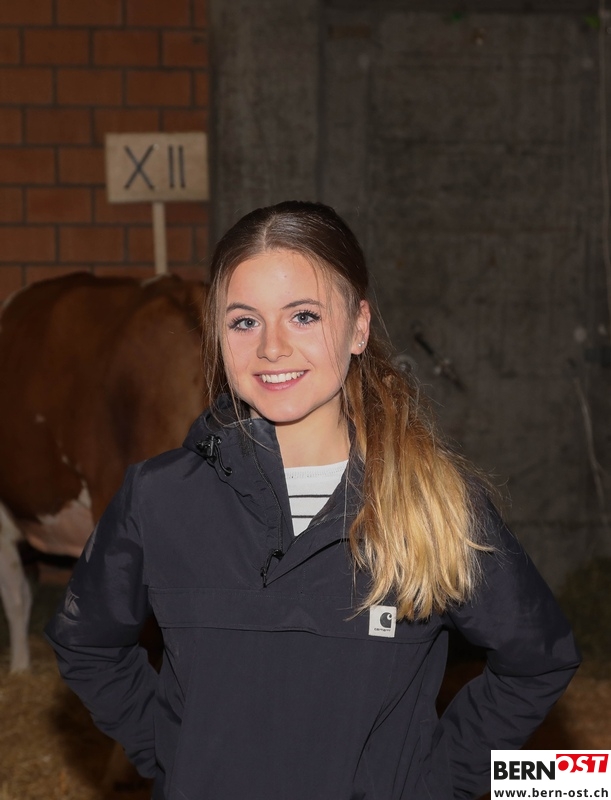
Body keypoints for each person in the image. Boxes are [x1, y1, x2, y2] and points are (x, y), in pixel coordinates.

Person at [46, 200, 580, 800]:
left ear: (359, 326)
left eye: (303, 316)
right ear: (218, 335)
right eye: (244, 321)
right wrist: (174, 752)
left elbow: (538, 659)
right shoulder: (159, 497)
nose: (272, 347)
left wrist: (435, 780)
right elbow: (86, 643)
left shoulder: (434, 501)